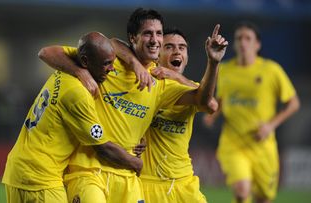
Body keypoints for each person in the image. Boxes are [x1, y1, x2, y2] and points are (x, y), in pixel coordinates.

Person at [39, 8, 227, 203]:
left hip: (132, 177)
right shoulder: (107, 63)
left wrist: (213, 63)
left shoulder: (162, 83)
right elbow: (49, 53)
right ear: (133, 38)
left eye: (158, 34)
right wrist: (82, 73)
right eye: (148, 33)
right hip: (91, 170)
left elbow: (206, 102)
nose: (155, 40)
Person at [1, 32, 143, 203]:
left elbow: (47, 52)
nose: (112, 68)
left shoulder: (64, 69)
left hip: (18, 169)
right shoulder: (78, 94)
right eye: (106, 63)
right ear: (85, 61)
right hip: (41, 178)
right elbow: (103, 148)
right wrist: (136, 163)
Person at [110, 26, 227, 203]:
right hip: (147, 183)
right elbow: (112, 43)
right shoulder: (142, 81)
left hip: (184, 182)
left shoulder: (190, 88)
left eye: (182, 47)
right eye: (169, 46)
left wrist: (213, 62)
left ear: (186, 58)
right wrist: (134, 63)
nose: (177, 51)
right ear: (156, 53)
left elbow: (210, 104)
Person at [203, 21, 300, 203]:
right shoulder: (224, 69)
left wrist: (271, 125)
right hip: (233, 143)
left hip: (262, 145)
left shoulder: (271, 70)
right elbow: (222, 99)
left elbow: (293, 103)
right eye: (239, 38)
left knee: (263, 198)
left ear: (257, 44)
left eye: (248, 38)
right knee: (241, 191)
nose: (242, 42)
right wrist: (213, 115)